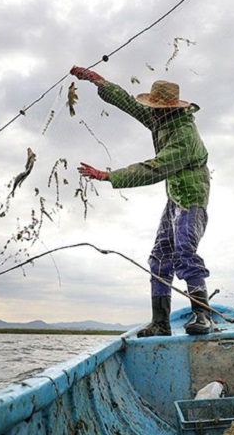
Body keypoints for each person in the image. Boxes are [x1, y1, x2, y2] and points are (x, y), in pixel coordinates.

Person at [70, 66, 212, 336]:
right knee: (160, 256)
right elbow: (127, 103)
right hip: (174, 197)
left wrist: (108, 176)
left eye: (157, 109)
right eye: (152, 109)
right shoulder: (161, 119)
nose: (152, 113)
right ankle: (160, 323)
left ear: (171, 109)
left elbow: (154, 168)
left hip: (192, 196)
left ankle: (203, 315)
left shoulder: (184, 135)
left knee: (184, 250)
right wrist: (99, 82)